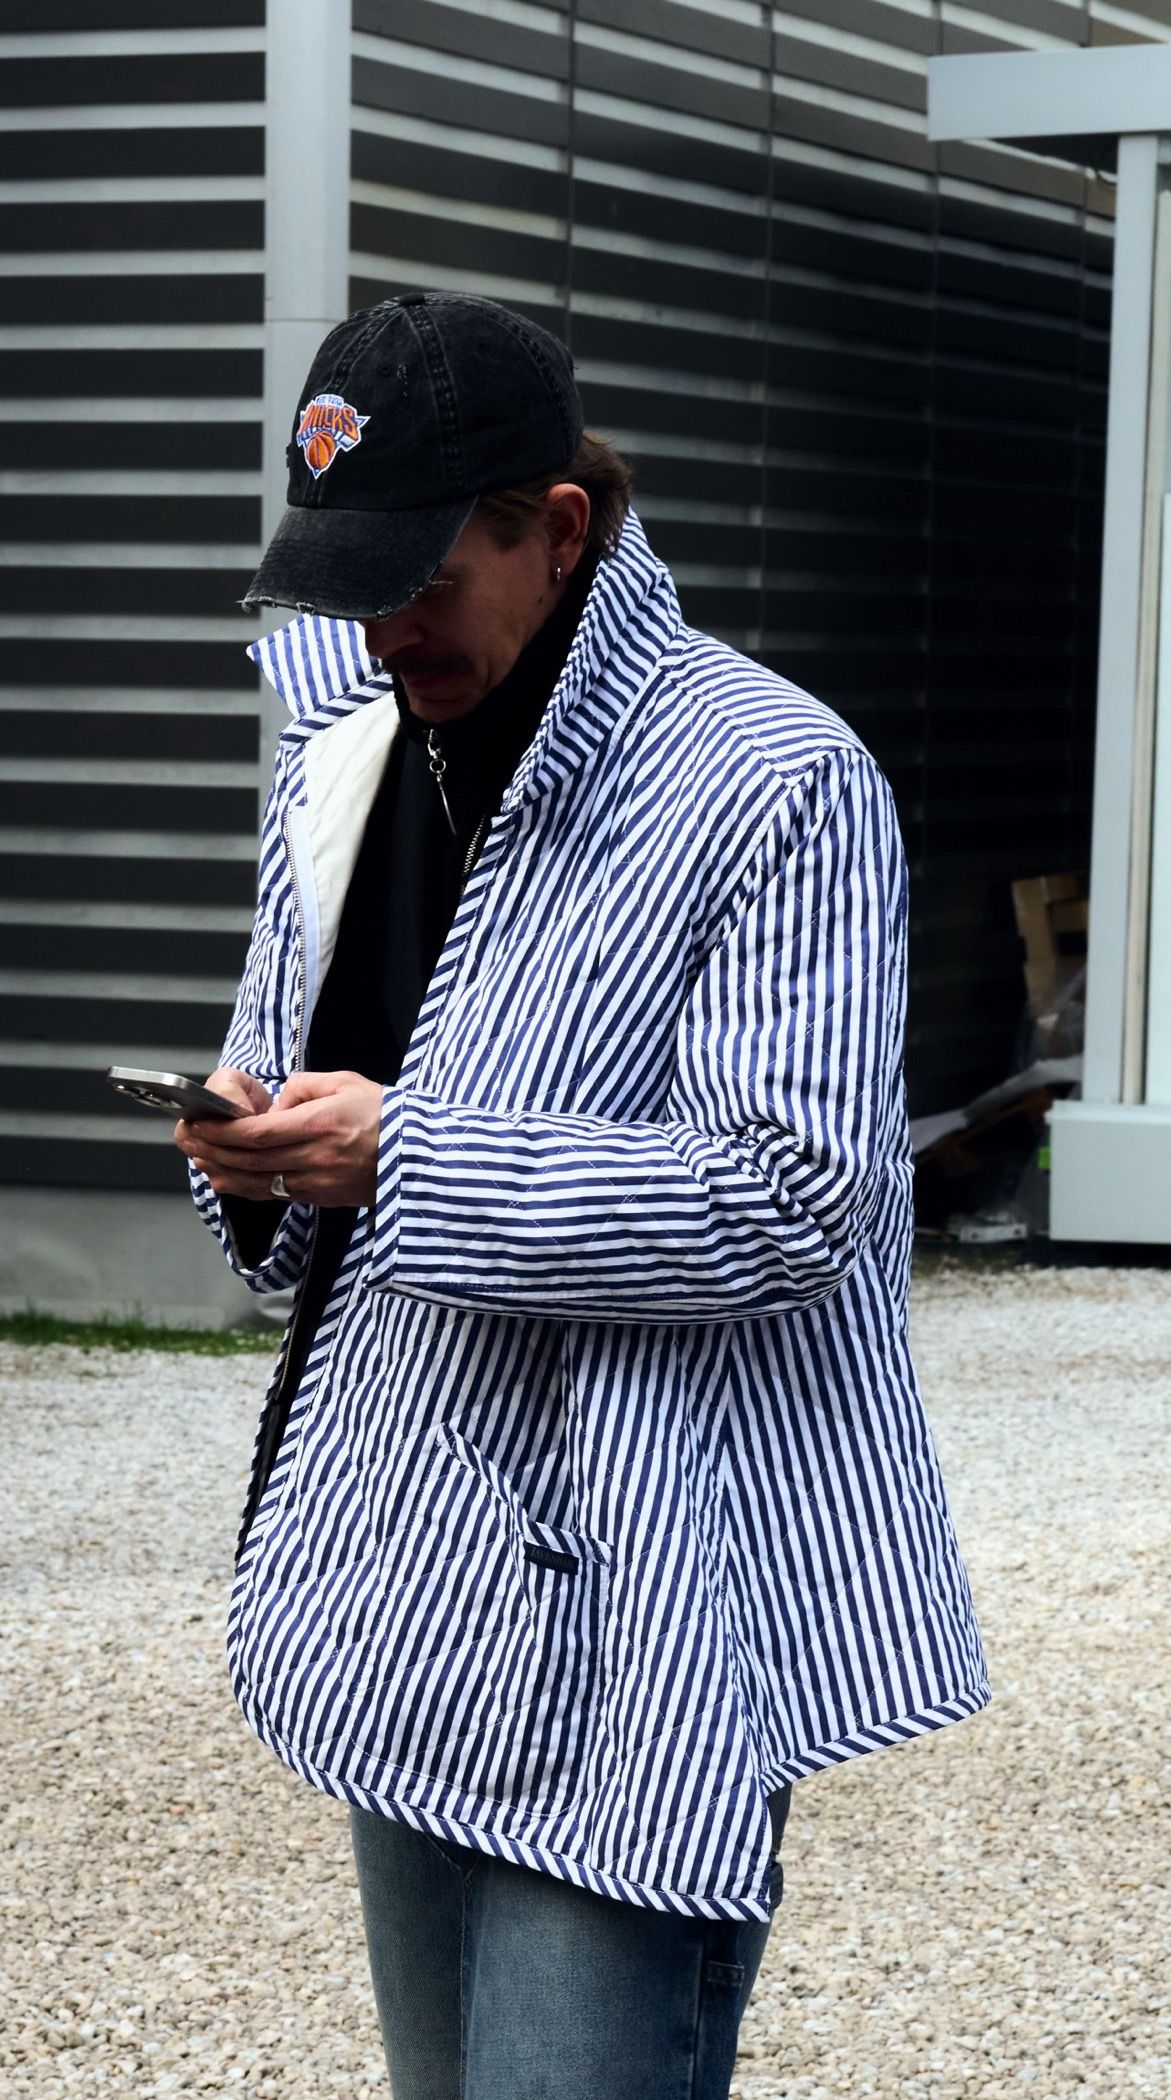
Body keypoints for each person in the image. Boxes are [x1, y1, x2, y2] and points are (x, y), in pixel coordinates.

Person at [176, 290, 987, 2100]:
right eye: (350, 586)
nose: (385, 631)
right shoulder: (350, 745)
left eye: (422, 580)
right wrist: (259, 1136)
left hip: (650, 1607)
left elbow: (793, 1198)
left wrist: (402, 1154)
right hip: (402, 1564)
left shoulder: (774, 779)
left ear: (558, 528)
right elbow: (305, 1080)